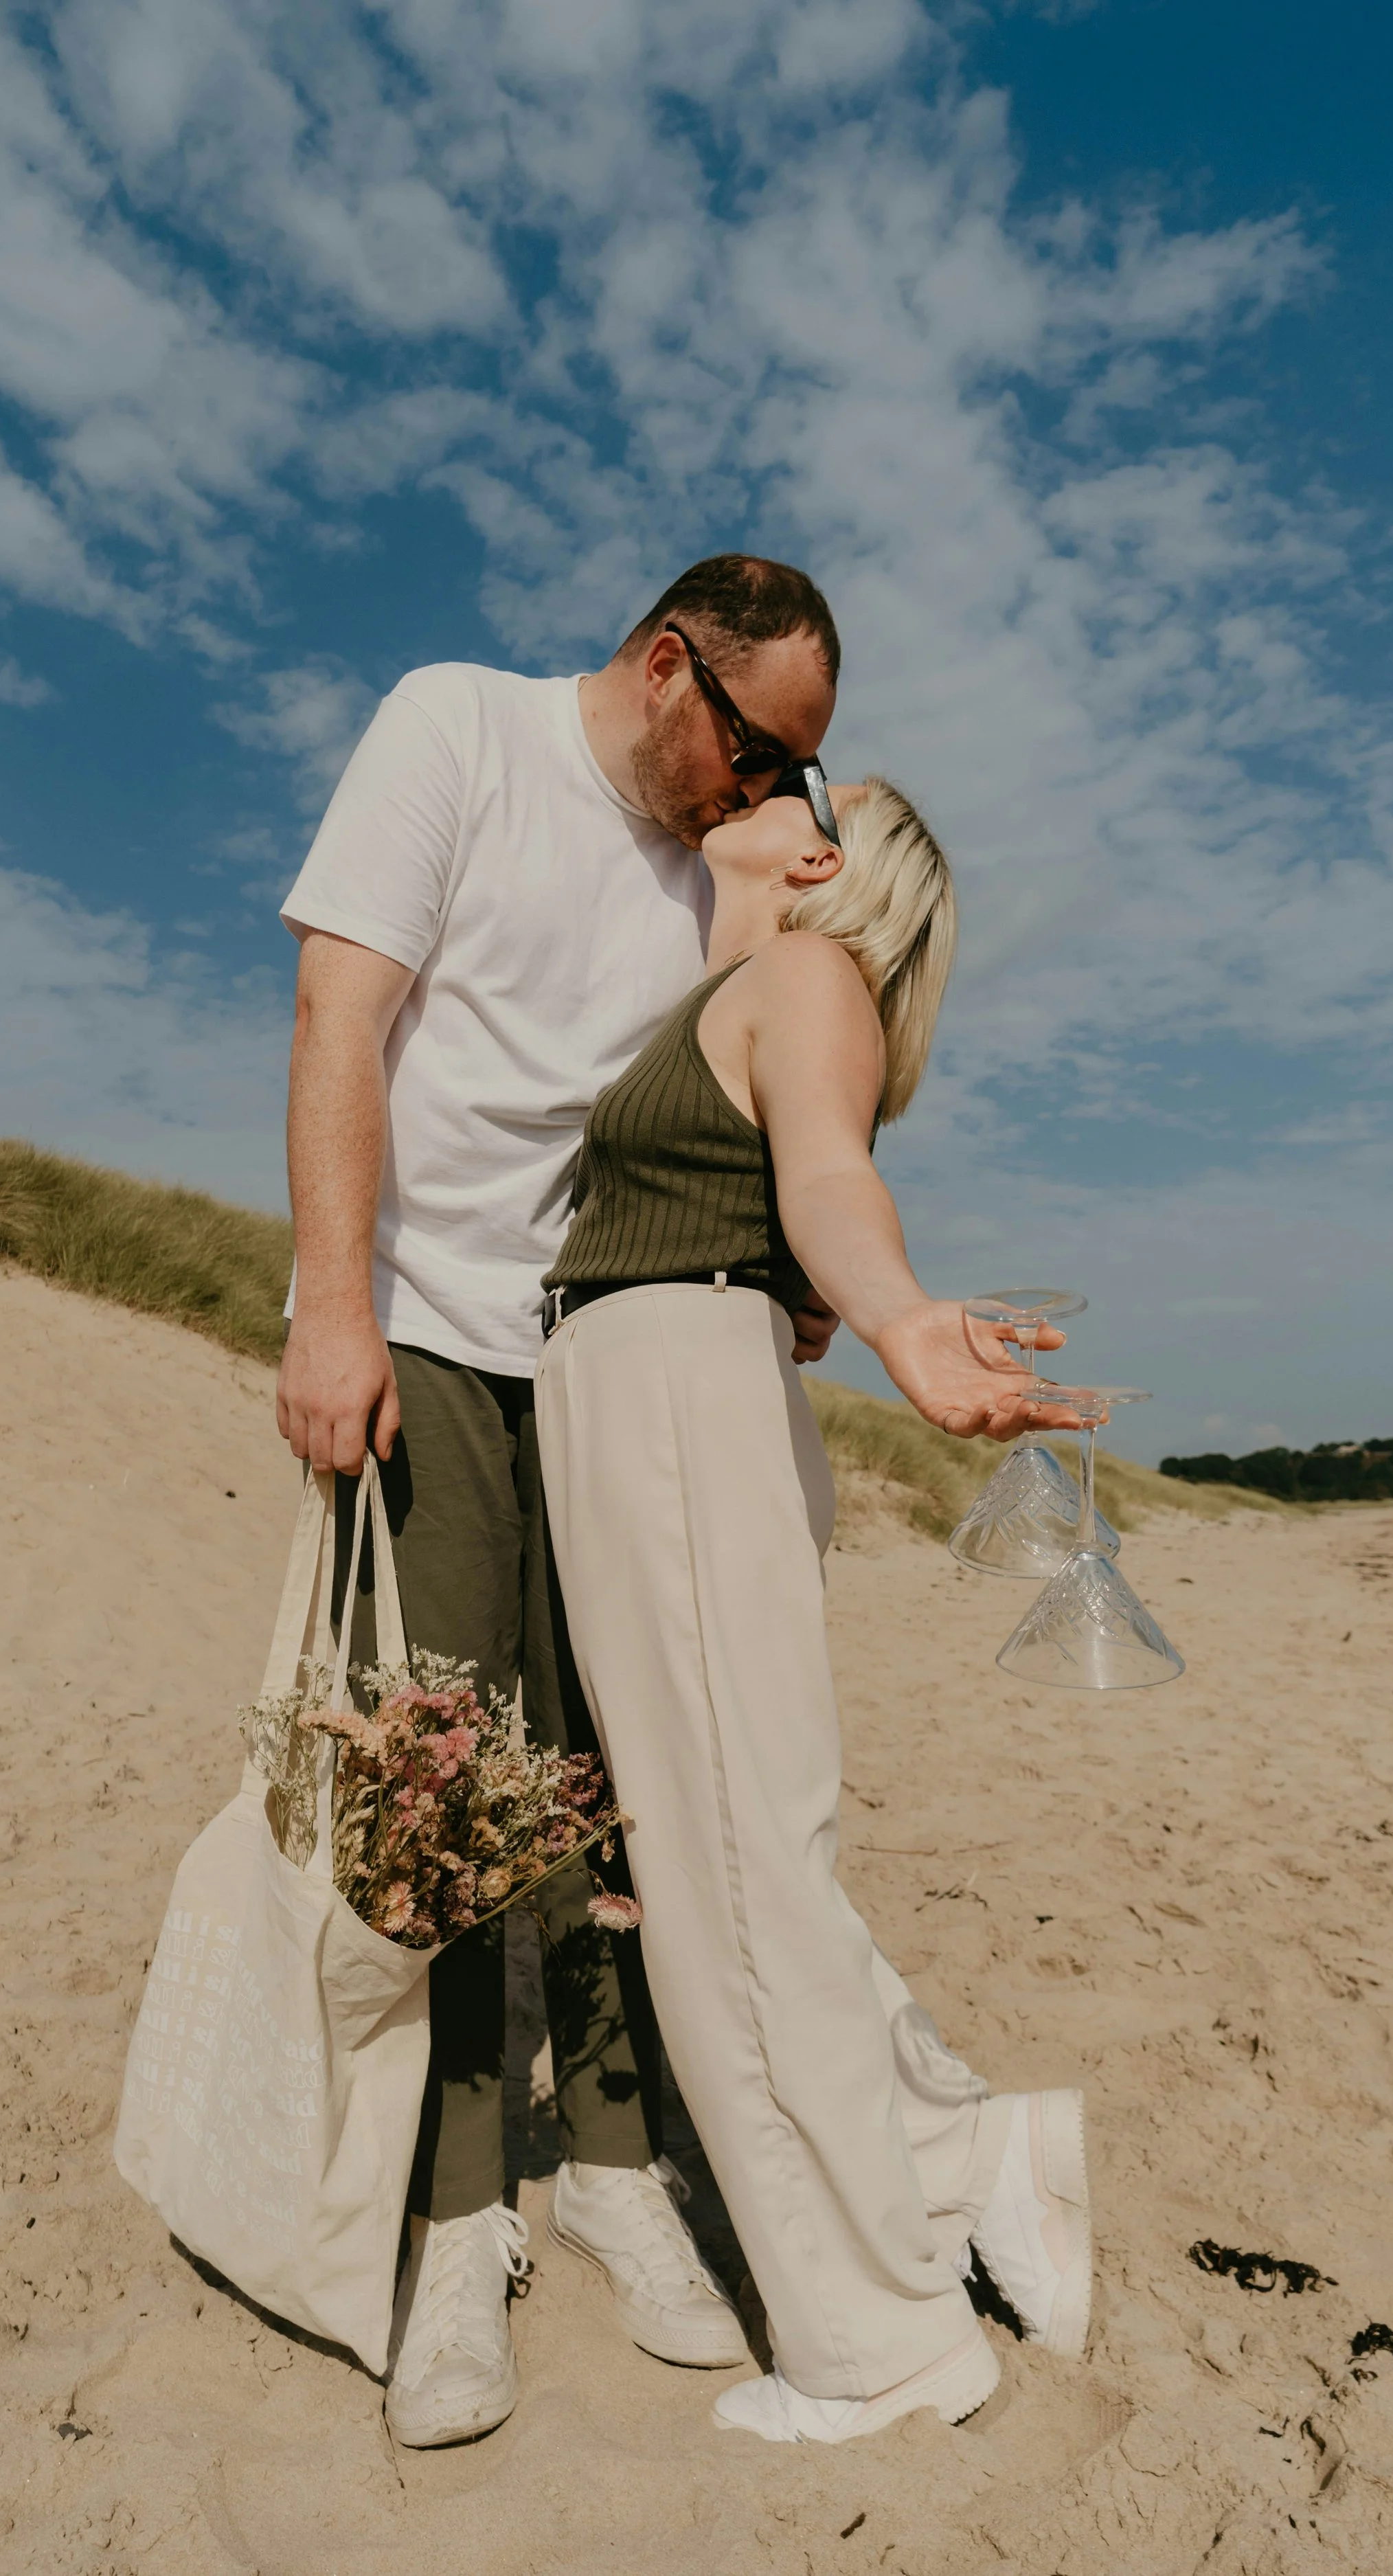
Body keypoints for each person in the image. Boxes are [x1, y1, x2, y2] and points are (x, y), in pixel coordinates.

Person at [275, 555, 848, 2446]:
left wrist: (797, 1263)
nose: (762, 789)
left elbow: (718, 1096)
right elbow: (341, 1017)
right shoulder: (455, 727)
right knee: (454, 1778)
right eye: (760, 748)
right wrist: (338, 1307)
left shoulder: (722, 857)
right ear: (668, 663)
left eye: (799, 775)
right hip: (432, 1330)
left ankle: (606, 2158)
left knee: (617, 1771)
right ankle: (457, 2220)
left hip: (621, 1353)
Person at [534, 776, 1094, 2443]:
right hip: (654, 1393)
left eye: (796, 787)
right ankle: (957, 2147)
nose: (752, 788)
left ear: (829, 859)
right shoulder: (743, 981)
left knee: (722, 1869)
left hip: (670, 1404)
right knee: (731, 1850)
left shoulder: (807, 983)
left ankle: (877, 2343)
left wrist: (902, 1314)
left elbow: (831, 1180)